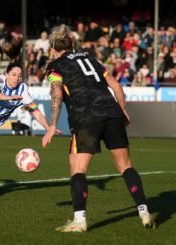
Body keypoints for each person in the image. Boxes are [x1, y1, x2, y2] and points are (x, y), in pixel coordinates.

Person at [42, 25, 155, 232]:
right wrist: (122, 110)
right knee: (126, 166)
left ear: (53, 48)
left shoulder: (54, 66)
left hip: (86, 117)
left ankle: (79, 220)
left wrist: (52, 125)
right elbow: (116, 86)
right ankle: (144, 211)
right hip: (112, 113)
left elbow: (56, 92)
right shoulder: (89, 59)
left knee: (78, 169)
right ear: (72, 45)